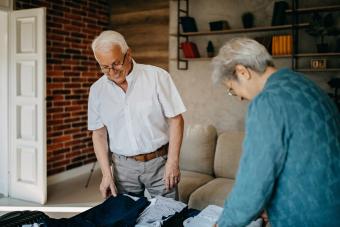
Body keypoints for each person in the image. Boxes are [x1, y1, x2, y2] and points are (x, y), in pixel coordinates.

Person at [211, 37, 340, 227]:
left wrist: (225, 224)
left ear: (242, 71)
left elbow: (254, 179)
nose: (238, 98)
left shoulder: (268, 101)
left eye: (232, 89)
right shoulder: (303, 84)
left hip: (307, 216)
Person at [88, 30, 186, 200]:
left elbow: (176, 120)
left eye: (116, 63)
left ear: (128, 54)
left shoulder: (157, 76)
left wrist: (173, 162)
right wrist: (106, 174)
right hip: (122, 168)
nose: (112, 72)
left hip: (159, 163)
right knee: (127, 217)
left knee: (169, 215)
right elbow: (98, 133)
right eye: (104, 67)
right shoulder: (97, 90)